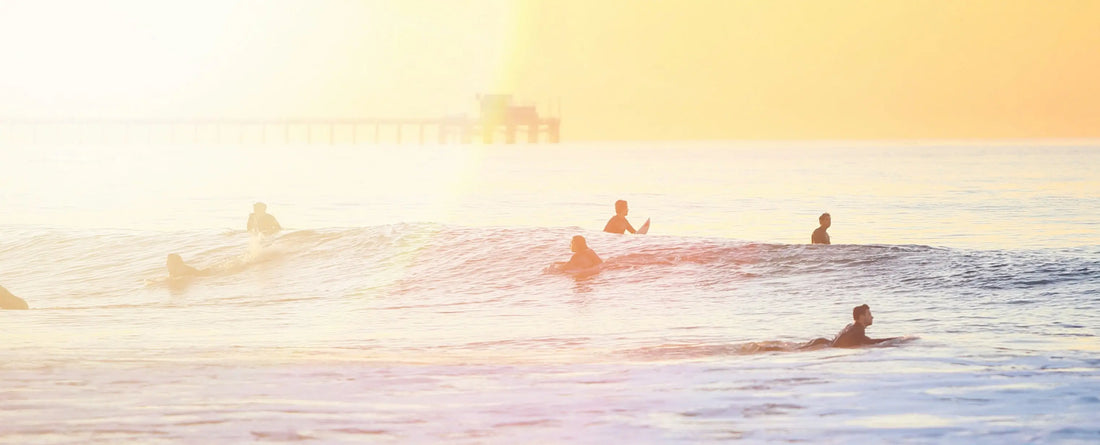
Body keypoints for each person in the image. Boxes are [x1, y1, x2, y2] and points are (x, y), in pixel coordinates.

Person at [828, 304, 899, 348]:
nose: (872, 317)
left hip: (831, 347)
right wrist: (897, 339)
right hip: (835, 349)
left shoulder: (850, 326)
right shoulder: (857, 330)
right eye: (869, 314)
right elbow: (871, 342)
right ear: (862, 317)